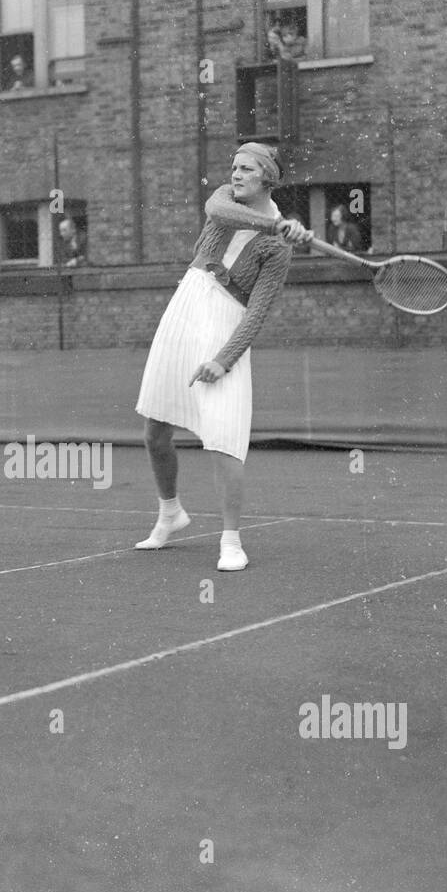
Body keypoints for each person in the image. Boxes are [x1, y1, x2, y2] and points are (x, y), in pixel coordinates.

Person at [134, 143, 313, 571]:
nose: (235, 174)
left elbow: (258, 312)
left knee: (223, 438)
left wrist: (224, 358)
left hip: (224, 322)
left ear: (267, 178)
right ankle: (170, 514)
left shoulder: (279, 249)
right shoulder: (225, 201)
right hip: (185, 306)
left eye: (246, 169)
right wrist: (278, 226)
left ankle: (231, 541)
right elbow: (220, 214)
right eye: (234, 166)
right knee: (154, 429)